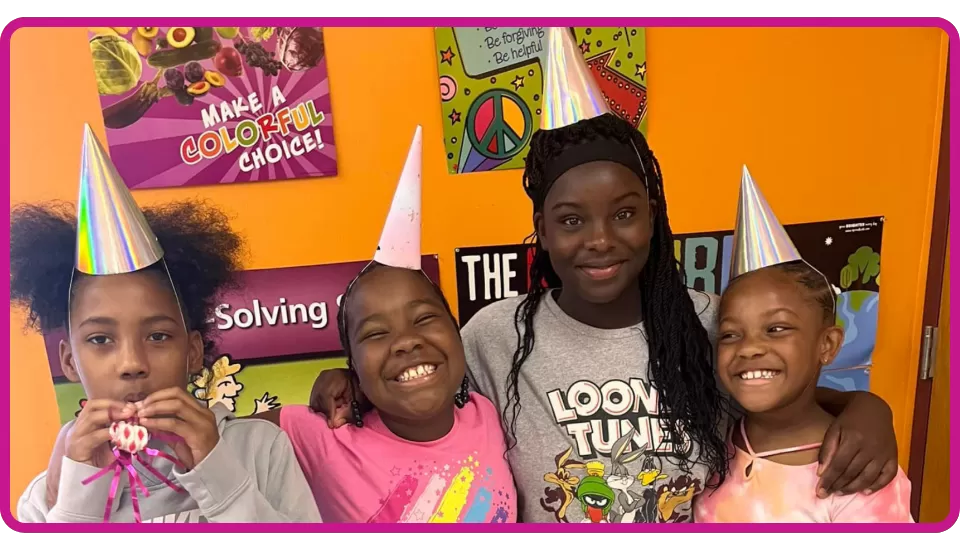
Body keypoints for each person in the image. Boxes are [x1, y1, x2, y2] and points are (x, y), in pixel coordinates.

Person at [308, 28, 900, 523]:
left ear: (654, 217)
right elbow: (423, 392)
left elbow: (779, 390)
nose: (599, 239)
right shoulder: (495, 336)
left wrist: (867, 410)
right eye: (570, 220)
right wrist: (347, 378)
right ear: (540, 227)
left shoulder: (710, 319)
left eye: (624, 213)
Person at [15, 125, 321, 523]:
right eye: (100, 339)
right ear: (70, 361)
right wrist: (76, 504)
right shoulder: (48, 495)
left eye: (158, 336)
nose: (132, 363)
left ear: (193, 352)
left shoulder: (260, 449)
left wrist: (221, 479)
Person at [256, 127, 517, 523]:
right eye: (376, 333)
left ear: (456, 330)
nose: (406, 342)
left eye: (425, 318)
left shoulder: (492, 415)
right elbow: (209, 440)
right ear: (353, 363)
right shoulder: (322, 436)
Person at [693, 169, 913, 522]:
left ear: (827, 343)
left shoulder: (858, 473)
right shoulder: (716, 439)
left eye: (776, 328)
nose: (749, 348)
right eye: (731, 334)